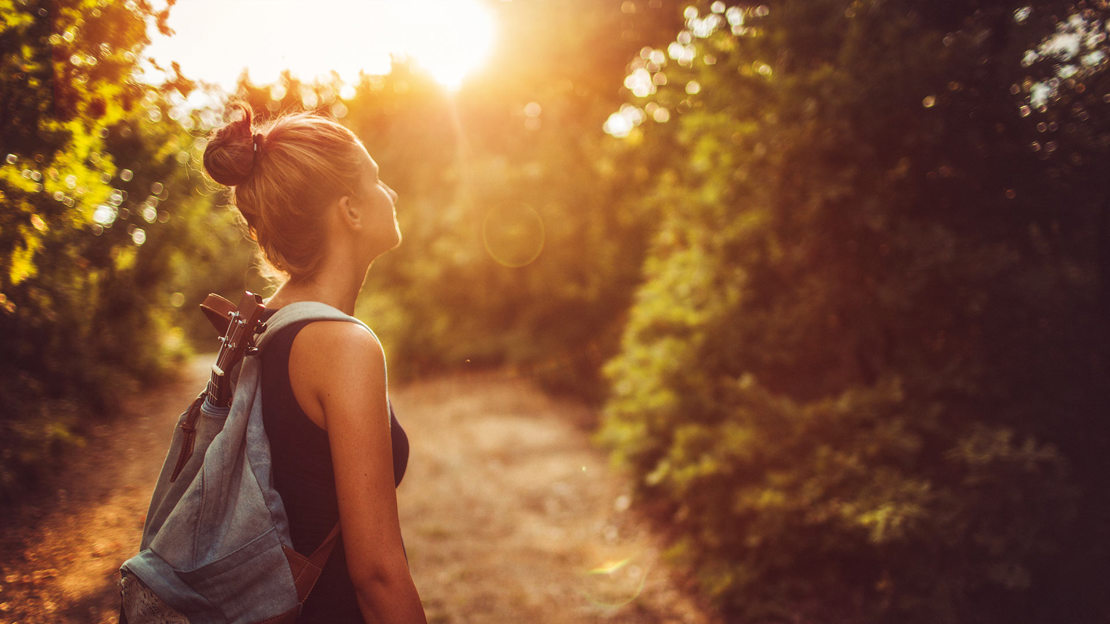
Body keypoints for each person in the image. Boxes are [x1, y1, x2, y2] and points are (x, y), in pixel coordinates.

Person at [202, 104, 426, 624]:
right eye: (376, 179)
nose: (390, 193)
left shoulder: (258, 325)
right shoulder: (343, 346)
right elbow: (377, 576)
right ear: (350, 210)